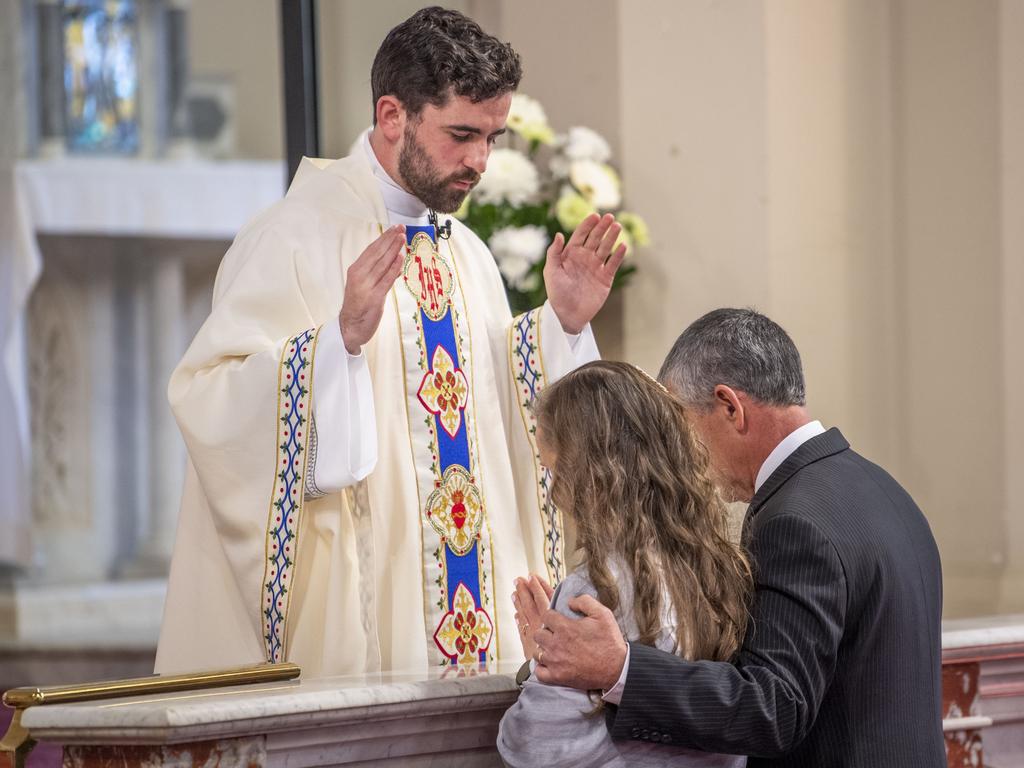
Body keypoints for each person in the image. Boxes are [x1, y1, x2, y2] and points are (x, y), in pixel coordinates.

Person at [155, 7, 626, 677]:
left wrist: (562, 327)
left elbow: (499, 419)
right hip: (371, 615)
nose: (480, 161)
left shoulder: (467, 252)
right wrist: (332, 352)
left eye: (493, 137)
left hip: (482, 618)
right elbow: (209, 398)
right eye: (461, 134)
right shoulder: (293, 237)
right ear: (391, 115)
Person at [515, 309, 945, 767]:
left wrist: (620, 669)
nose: (679, 448)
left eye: (681, 422)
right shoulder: (884, 490)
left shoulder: (795, 522)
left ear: (729, 407)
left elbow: (774, 707)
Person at [497, 361, 750, 768]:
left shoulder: (595, 591)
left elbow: (533, 747)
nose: (554, 492)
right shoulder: (721, 571)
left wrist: (537, 666)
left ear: (585, 473)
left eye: (553, 469)